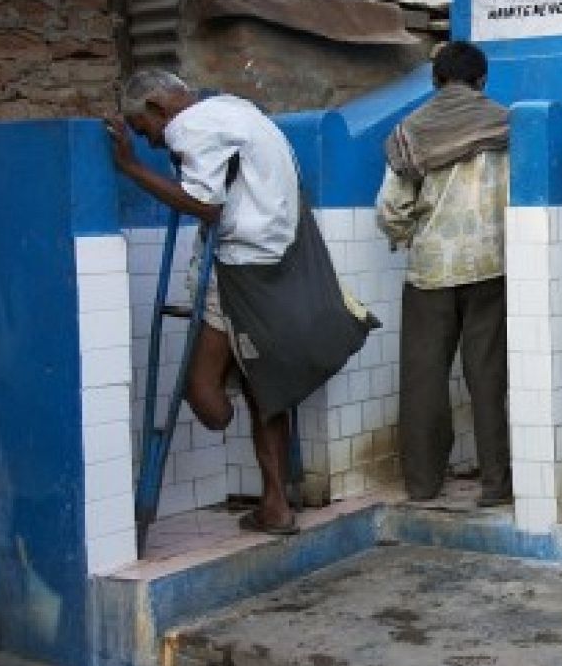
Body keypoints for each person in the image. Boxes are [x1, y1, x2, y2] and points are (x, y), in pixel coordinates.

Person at [106, 71, 374, 535]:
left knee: (205, 399)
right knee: (261, 390)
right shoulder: (235, 109)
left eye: (145, 129)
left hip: (239, 270)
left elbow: (204, 205)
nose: (151, 141)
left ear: (155, 108)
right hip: (277, 261)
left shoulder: (191, 126)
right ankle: (275, 505)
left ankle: (241, 424)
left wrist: (131, 169)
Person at [376, 42, 512, 506]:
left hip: (431, 268)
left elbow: (392, 208)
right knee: (489, 377)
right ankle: (496, 483)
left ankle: (422, 482)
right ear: (481, 81)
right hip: (492, 266)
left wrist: (408, 233)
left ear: (435, 81)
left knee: (424, 379)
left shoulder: (411, 131)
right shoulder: (507, 124)